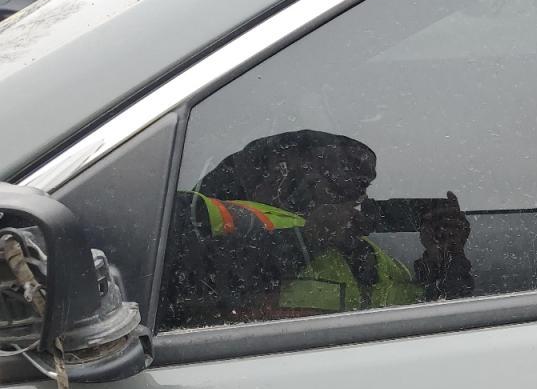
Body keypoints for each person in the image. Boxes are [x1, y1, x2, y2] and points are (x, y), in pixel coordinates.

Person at [162, 130, 472, 326]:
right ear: (281, 172)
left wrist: (446, 259)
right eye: (343, 181)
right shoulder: (196, 211)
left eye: (362, 186)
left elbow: (431, 323)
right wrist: (306, 238)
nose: (359, 197)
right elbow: (178, 285)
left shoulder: (369, 256)